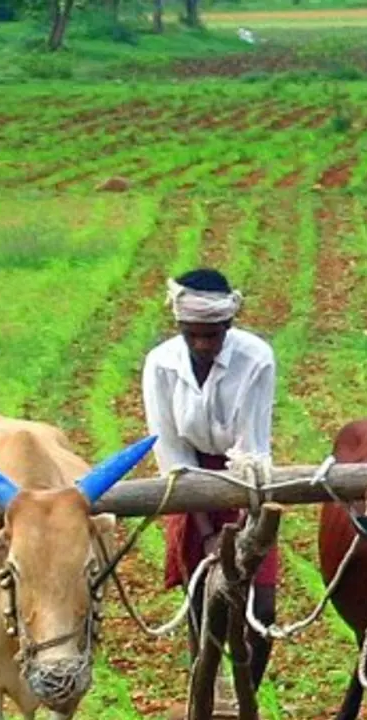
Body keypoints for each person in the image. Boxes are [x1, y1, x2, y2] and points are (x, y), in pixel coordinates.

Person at [141, 267, 280, 701]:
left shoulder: (256, 358)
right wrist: (205, 534)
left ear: (229, 326)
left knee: (261, 610)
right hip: (190, 482)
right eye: (194, 335)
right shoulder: (161, 364)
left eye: (213, 335)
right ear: (180, 327)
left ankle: (246, 699)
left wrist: (241, 533)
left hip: (246, 480)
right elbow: (172, 453)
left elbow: (252, 448)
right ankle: (204, 697)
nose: (203, 345)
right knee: (204, 604)